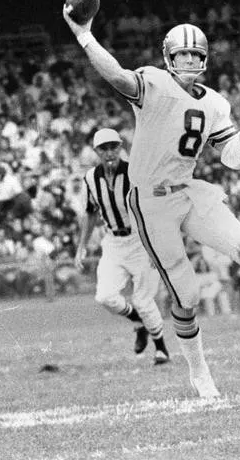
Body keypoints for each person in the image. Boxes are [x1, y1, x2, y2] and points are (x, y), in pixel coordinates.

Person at [63, 5, 240, 398]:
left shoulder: (215, 103)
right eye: (182, 54)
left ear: (204, 59)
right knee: (185, 296)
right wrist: (84, 33)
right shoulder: (151, 83)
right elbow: (116, 73)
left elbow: (233, 159)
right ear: (168, 58)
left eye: (195, 54)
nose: (189, 60)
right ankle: (199, 373)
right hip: (150, 203)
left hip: (188, 190)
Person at [74, 128, 170, 366]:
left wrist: (154, 244)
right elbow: (89, 212)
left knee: (143, 299)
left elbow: (153, 204)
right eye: (103, 148)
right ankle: (139, 323)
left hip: (140, 241)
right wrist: (81, 247)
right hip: (113, 242)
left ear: (120, 148)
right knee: (105, 296)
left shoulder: (134, 172)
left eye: (113, 147)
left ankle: (161, 348)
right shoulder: (90, 178)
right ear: (96, 151)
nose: (109, 153)